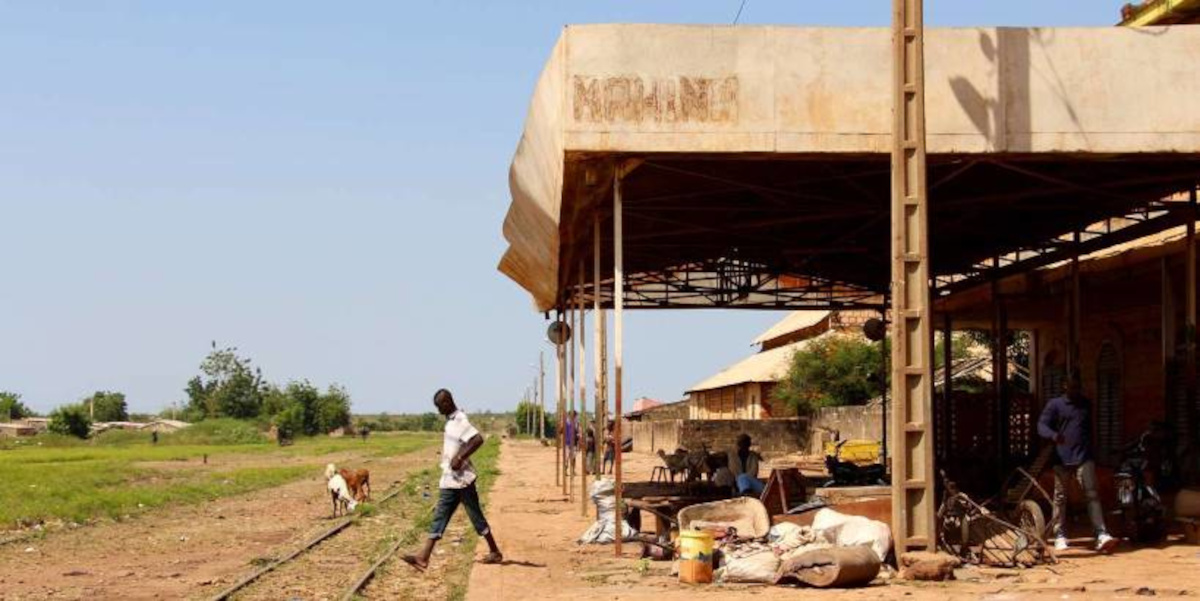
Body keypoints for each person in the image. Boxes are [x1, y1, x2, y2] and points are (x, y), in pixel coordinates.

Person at [403, 389, 502, 571]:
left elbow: (477, 439)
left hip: (462, 481)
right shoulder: (450, 422)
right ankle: (423, 557)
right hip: (451, 480)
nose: (438, 411)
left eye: (439, 406)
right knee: (441, 515)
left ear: (448, 402)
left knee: (475, 517)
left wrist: (460, 457)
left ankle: (495, 552)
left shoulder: (459, 420)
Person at [1037, 374, 1117, 553]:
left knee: (1092, 494)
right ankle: (1059, 535)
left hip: (1083, 457)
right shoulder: (1055, 405)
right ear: (1065, 386)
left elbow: (1089, 429)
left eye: (1077, 387)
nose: (1075, 390)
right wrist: (1053, 435)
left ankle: (1101, 534)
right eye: (1072, 387)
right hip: (1061, 458)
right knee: (1060, 497)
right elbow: (1041, 426)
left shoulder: (1085, 405)